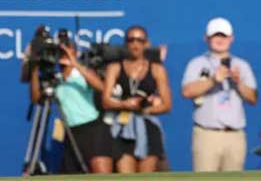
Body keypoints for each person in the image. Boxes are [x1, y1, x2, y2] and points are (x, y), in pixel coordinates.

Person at [182, 17, 258, 172]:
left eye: (223, 36)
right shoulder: (197, 63)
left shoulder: (241, 65)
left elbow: (253, 98)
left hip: (234, 135)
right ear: (207, 38)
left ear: (231, 39)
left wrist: (238, 83)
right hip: (207, 134)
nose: (220, 40)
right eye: (216, 36)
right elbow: (187, 91)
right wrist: (213, 80)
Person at [29, 35, 113, 173]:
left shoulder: (82, 72)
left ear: (75, 52)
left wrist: (74, 62)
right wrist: (34, 68)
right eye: (61, 51)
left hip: (93, 130)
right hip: (71, 133)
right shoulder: (55, 77)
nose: (64, 53)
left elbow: (102, 88)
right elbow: (35, 98)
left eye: (68, 49)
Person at [102, 26, 171, 173]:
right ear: (126, 43)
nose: (135, 44)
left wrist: (144, 108)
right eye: (131, 39)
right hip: (123, 127)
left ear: (146, 43)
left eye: (140, 40)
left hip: (147, 125)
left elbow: (167, 105)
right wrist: (124, 104)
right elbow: (106, 101)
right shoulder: (115, 68)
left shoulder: (157, 69)